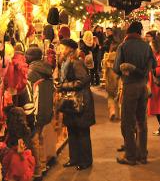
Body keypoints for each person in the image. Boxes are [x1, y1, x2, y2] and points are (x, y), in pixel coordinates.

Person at [113, 21, 156, 165]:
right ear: (140, 32)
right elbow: (154, 64)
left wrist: (128, 68)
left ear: (128, 32)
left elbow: (116, 69)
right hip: (143, 86)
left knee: (127, 122)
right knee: (141, 121)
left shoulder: (123, 46)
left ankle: (130, 156)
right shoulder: (146, 46)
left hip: (130, 86)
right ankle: (142, 155)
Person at [58, 38, 95, 171]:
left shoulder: (76, 63)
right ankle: (74, 158)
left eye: (62, 47)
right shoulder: (67, 63)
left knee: (82, 131)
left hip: (80, 101)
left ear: (69, 49)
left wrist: (64, 86)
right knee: (72, 130)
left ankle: (85, 160)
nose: (60, 50)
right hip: (71, 101)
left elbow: (83, 80)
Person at [24, 46, 54, 180]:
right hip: (45, 110)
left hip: (36, 112)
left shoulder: (31, 73)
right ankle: (42, 165)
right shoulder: (47, 70)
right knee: (40, 137)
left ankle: (37, 171)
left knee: (34, 140)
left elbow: (28, 93)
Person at [102, 40, 122, 121]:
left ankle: (112, 112)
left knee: (110, 97)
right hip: (119, 79)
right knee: (120, 98)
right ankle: (121, 114)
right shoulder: (120, 58)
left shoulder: (106, 57)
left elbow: (104, 69)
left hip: (109, 79)